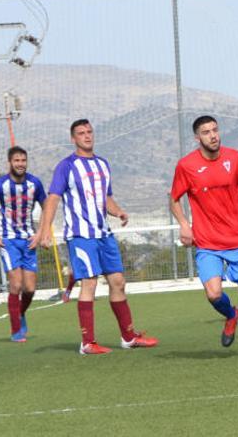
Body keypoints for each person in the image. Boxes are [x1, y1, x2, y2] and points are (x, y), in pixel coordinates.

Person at [35, 119, 157, 354]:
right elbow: (52, 199)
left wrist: (118, 210)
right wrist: (44, 231)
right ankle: (87, 343)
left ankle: (129, 337)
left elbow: (106, 198)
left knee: (118, 282)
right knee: (89, 283)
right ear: (73, 139)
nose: (87, 136)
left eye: (89, 132)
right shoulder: (66, 166)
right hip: (81, 236)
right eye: (81, 133)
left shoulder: (103, 164)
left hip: (104, 234)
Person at [170, 115, 238, 357]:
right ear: (197, 137)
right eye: (206, 132)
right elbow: (173, 200)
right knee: (213, 294)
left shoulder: (234, 158)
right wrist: (184, 225)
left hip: (236, 237)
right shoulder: (187, 165)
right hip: (207, 241)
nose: (212, 135)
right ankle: (232, 315)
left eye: (215, 130)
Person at [0, 146, 47, 342]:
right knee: (16, 284)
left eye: (23, 160)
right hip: (8, 241)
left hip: (28, 240)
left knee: (30, 289)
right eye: (16, 161)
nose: (20, 164)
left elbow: (47, 208)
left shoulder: (35, 183)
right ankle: (16, 330)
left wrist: (40, 234)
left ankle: (20, 313)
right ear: (9, 163)